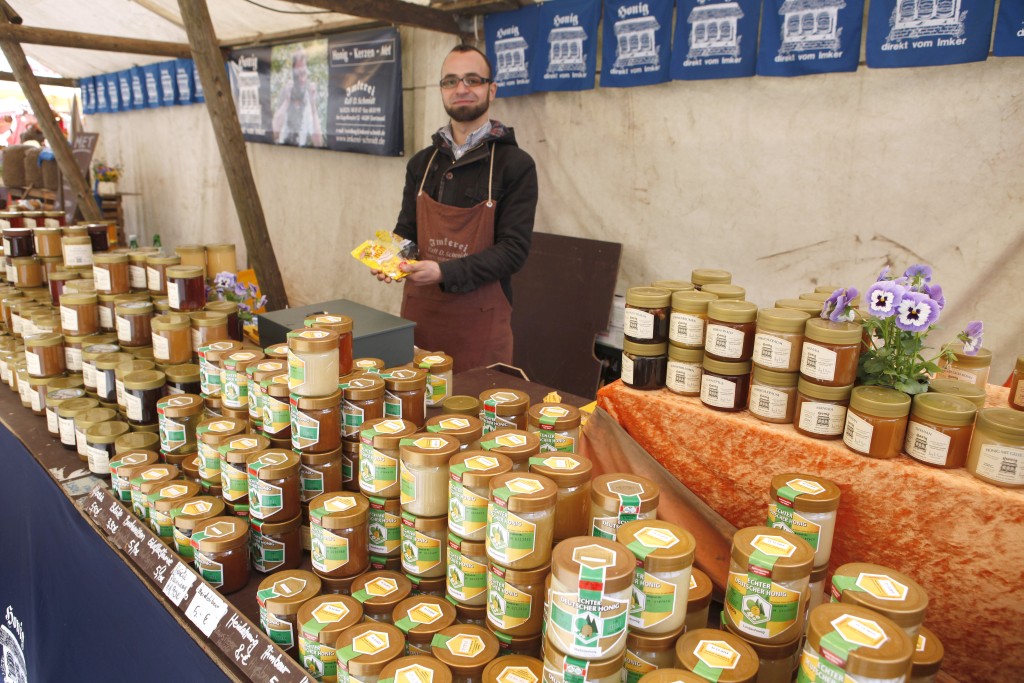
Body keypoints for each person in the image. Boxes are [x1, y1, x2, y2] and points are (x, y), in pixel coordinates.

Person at [376, 44, 538, 372]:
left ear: (491, 89)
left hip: (481, 326)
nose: (461, 88)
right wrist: (390, 256)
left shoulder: (515, 165)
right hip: (421, 319)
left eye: (472, 80)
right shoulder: (422, 163)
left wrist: (443, 272)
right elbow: (408, 230)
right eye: (450, 81)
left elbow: (513, 251)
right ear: (441, 90)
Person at [272, 47, 324, 147]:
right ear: (292, 74)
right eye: (297, 75)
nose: (301, 79)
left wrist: (313, 106)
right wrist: (286, 102)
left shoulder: (309, 95)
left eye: (303, 73)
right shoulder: (285, 92)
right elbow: (274, 133)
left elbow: (318, 143)